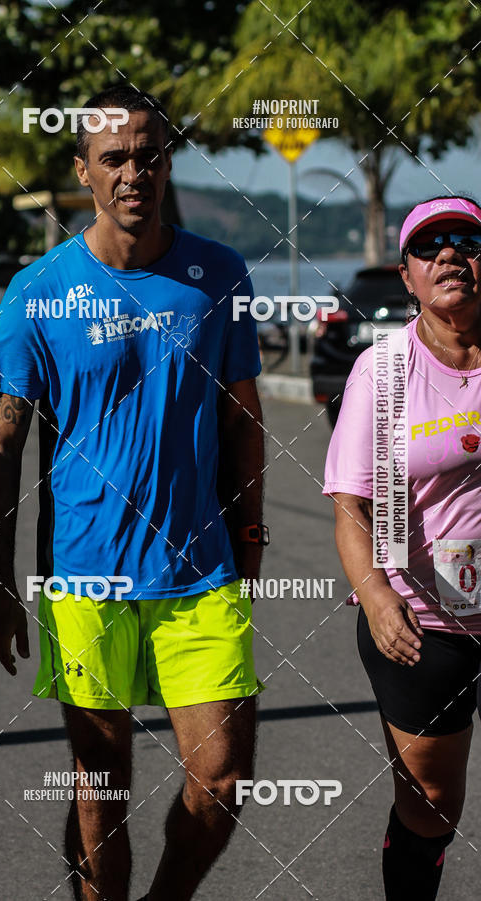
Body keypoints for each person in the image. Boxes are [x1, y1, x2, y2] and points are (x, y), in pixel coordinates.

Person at [0, 84, 267, 901]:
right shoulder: (36, 294)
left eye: (149, 154)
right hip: (86, 576)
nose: (134, 171)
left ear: (166, 160)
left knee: (222, 777)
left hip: (201, 574)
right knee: (99, 786)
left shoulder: (219, 273)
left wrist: (250, 537)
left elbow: (244, 421)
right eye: (115, 158)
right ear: (84, 171)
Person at [323, 195, 481, 899]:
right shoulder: (383, 372)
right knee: (431, 805)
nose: (450, 254)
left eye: (467, 241)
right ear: (408, 277)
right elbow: (351, 505)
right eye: (429, 247)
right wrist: (377, 595)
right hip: (425, 620)